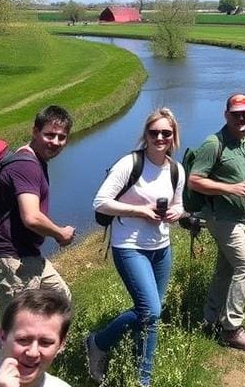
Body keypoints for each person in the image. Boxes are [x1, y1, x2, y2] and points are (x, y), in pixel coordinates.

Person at [85, 109, 185, 385]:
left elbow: (179, 203)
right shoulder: (130, 164)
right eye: (154, 132)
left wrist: (178, 212)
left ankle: (117, 354)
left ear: (173, 136)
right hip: (129, 246)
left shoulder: (176, 169)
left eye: (166, 133)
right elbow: (101, 202)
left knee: (149, 315)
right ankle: (136, 373)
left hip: (161, 248)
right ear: (146, 135)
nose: (160, 137)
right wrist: (141, 211)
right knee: (151, 311)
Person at [188, 93, 245, 351]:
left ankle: (209, 318)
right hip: (221, 219)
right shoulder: (214, 144)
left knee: (226, 269)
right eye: (236, 114)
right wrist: (229, 188)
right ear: (226, 115)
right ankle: (232, 329)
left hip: (241, 218)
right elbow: (194, 180)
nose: (241, 119)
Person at [0, 106, 76, 320]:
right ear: (35, 132)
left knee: (61, 301)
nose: (55, 142)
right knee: (18, 323)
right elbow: (32, 217)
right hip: (12, 257)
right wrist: (60, 233)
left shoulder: (34, 160)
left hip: (28, 254)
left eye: (62, 137)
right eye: (49, 135)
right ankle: (1, 353)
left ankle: (49, 349)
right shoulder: (27, 166)